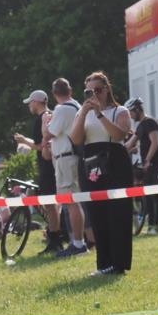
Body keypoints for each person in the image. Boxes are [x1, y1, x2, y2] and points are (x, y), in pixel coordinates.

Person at [68, 72, 134, 276]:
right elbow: (76, 139)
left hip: (115, 162)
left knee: (118, 213)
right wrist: (83, 113)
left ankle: (119, 263)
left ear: (107, 89)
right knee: (97, 214)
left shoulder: (120, 111)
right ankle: (103, 264)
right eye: (89, 91)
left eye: (98, 90)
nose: (94, 95)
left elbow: (119, 135)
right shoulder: (82, 113)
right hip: (91, 163)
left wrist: (98, 113)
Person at [14, 89, 63, 254]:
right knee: (52, 203)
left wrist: (24, 141)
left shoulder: (42, 118)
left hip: (47, 166)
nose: (29, 105)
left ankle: (55, 239)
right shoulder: (50, 116)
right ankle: (55, 235)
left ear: (36, 102)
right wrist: (26, 141)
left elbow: (40, 145)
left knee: (49, 203)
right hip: (52, 164)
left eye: (30, 102)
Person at [47, 78, 87, 256]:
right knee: (74, 202)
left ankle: (78, 244)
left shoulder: (62, 109)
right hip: (72, 157)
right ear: (70, 91)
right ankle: (78, 241)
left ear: (54, 94)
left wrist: (46, 122)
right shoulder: (77, 106)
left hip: (66, 158)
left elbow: (48, 134)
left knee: (71, 203)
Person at [125, 97, 158, 235]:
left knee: (151, 195)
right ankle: (154, 225)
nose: (130, 116)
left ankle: (154, 226)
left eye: (131, 112)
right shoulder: (140, 125)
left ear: (137, 109)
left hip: (153, 162)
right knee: (150, 194)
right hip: (147, 162)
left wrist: (147, 160)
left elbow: (155, 143)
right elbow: (130, 143)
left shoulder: (150, 123)